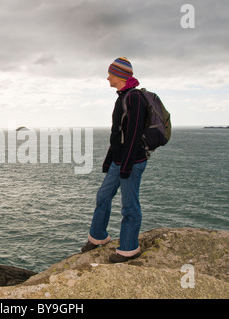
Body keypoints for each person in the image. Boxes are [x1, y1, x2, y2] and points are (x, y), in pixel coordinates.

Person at [81, 57, 148, 263]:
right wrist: (109, 160)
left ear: (119, 76)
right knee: (103, 196)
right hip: (119, 161)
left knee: (129, 205)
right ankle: (98, 237)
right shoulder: (122, 97)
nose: (107, 77)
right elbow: (117, 134)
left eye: (110, 73)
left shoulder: (134, 98)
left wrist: (126, 165)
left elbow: (134, 135)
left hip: (132, 162)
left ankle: (129, 249)